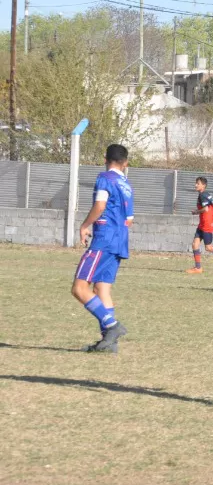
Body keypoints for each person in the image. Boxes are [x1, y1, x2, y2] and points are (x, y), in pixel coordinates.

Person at [72, 144, 134, 353]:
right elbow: (130, 219)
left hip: (104, 240)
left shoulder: (105, 178)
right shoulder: (126, 185)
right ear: (125, 164)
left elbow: (100, 206)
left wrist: (85, 225)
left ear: (105, 159)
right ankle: (109, 344)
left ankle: (112, 326)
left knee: (79, 288)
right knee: (102, 288)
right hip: (119, 241)